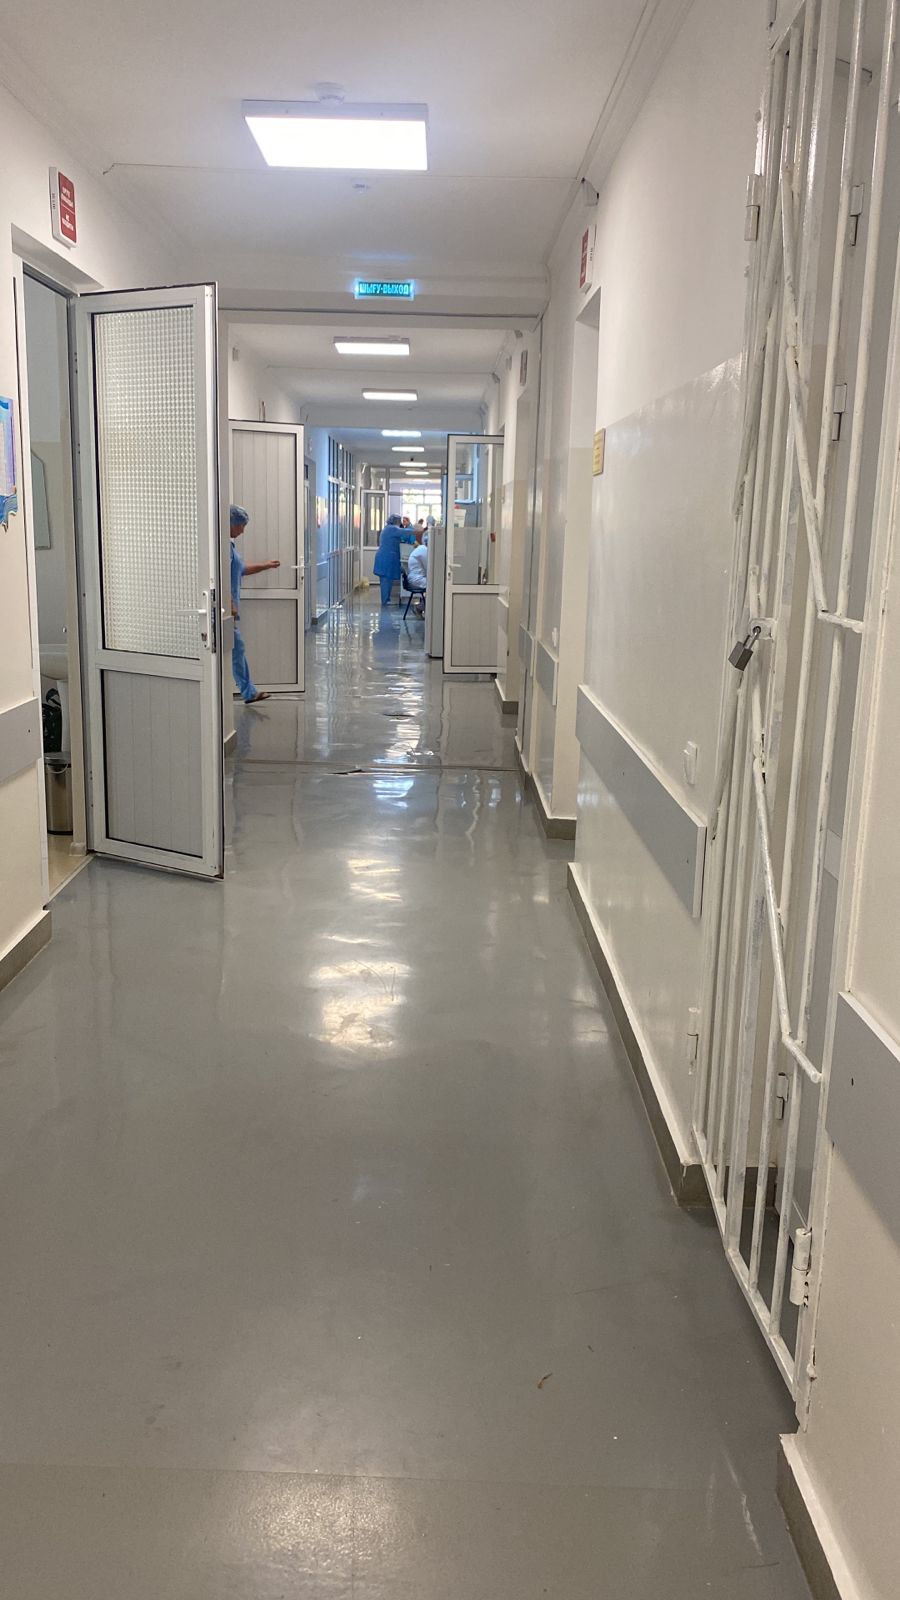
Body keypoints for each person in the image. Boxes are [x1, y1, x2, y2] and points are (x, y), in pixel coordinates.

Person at [229, 504, 280, 703]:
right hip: (225, 610)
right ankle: (247, 692)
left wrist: (266, 566)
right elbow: (219, 577)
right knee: (236, 649)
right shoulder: (221, 548)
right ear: (230, 523)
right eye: (240, 525)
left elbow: (241, 570)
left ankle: (248, 691)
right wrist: (229, 603)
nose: (242, 530)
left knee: (236, 649)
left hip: (229, 610)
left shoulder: (229, 547)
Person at [373, 513, 415, 605]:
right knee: (386, 581)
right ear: (396, 521)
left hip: (385, 557)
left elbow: (403, 536)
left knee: (387, 580)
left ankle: (386, 600)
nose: (400, 523)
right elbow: (405, 532)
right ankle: (385, 602)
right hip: (386, 558)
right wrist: (414, 528)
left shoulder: (388, 528)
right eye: (400, 521)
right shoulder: (392, 529)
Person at [405, 529, 428, 616]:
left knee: (434, 585)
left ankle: (421, 607)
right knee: (435, 587)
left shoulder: (422, 548)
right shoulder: (424, 550)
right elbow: (429, 568)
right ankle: (420, 607)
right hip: (417, 579)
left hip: (415, 578)